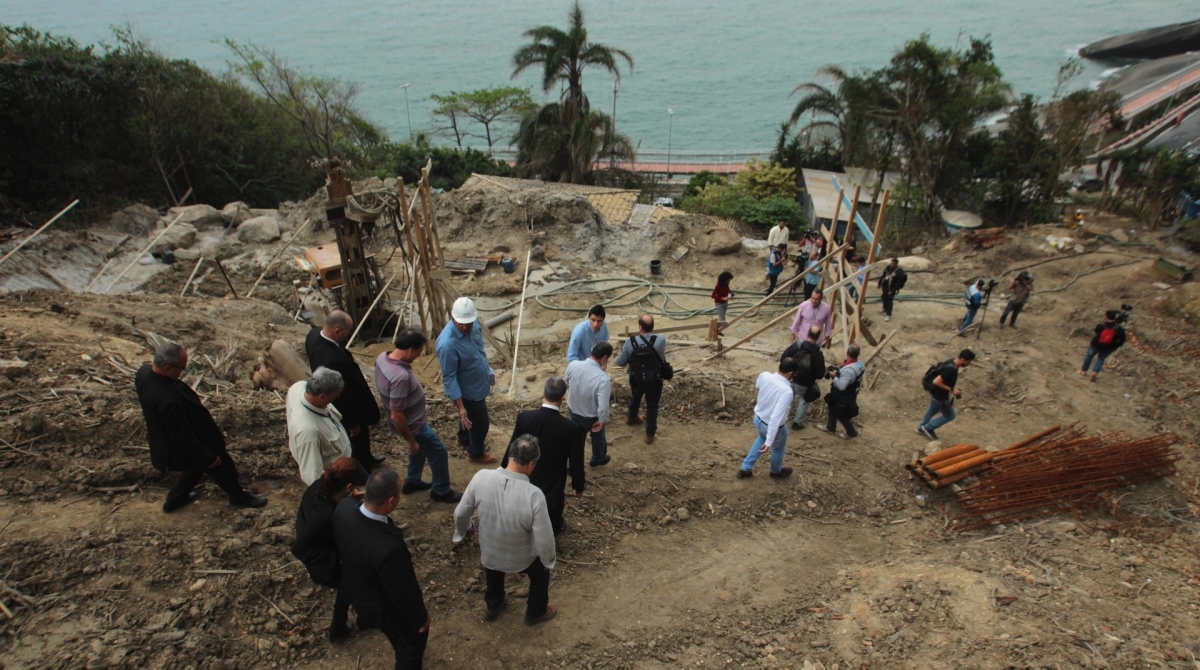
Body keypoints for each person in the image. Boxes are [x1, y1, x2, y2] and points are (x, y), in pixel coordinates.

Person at [134, 342, 267, 513]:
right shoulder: (168, 402)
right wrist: (208, 456)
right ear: (167, 368)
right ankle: (238, 496)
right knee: (222, 466)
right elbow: (183, 438)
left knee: (195, 467)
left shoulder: (144, 374)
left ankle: (174, 500)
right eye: (182, 368)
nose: (182, 372)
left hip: (175, 437)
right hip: (196, 442)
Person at [454, 435, 558, 625]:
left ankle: (493, 605)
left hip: (490, 550)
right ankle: (536, 612)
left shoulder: (481, 477)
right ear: (531, 465)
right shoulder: (534, 495)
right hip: (522, 556)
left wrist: (465, 528)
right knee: (540, 573)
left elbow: (461, 513)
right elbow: (544, 537)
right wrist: (548, 559)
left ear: (510, 455)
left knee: (493, 568)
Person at [334, 470, 430, 669]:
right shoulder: (389, 549)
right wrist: (420, 618)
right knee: (411, 645)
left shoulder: (343, 508)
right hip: (381, 606)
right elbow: (402, 593)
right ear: (391, 501)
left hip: (354, 586)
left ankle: (342, 628)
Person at [375, 329, 462, 504]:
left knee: (419, 450)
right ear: (409, 350)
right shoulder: (400, 377)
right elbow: (397, 415)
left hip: (412, 421)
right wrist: (410, 440)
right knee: (438, 453)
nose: (419, 355)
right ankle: (441, 491)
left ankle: (412, 481)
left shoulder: (383, 358)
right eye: (419, 351)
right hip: (413, 425)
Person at [291, 457, 368, 643]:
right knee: (353, 586)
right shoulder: (326, 517)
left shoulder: (319, 487)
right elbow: (299, 547)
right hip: (324, 563)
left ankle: (350, 622)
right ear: (348, 486)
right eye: (356, 486)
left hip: (326, 549)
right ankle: (342, 627)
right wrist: (335, 560)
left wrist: (349, 499)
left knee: (351, 586)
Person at [502, 378, 586, 534]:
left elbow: (512, 447)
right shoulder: (572, 428)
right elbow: (576, 460)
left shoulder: (525, 418)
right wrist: (578, 484)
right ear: (562, 398)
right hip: (554, 477)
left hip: (527, 471)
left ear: (544, 392)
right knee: (552, 506)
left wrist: (503, 472)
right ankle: (553, 527)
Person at [305, 311, 384, 468]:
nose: (348, 335)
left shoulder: (314, 335)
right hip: (351, 405)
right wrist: (351, 422)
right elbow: (341, 397)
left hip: (347, 393)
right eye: (347, 331)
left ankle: (367, 458)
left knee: (363, 438)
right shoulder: (332, 360)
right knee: (357, 438)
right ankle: (362, 468)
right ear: (337, 331)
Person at [436, 297, 497, 464]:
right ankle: (475, 453)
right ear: (453, 318)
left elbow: (478, 348)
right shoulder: (447, 344)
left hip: (478, 381)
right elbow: (449, 377)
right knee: (481, 423)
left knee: (469, 417)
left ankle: (463, 438)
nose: (465, 327)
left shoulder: (474, 325)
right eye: (461, 324)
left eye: (468, 323)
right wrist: (460, 407)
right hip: (469, 390)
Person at [286, 367, 353, 485]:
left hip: (343, 463)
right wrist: (336, 491)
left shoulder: (299, 386)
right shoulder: (308, 432)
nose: (338, 396)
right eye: (335, 395)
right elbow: (312, 476)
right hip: (335, 476)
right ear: (322, 397)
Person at [736, 357, 797, 480]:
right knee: (778, 449)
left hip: (758, 418)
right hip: (773, 426)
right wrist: (769, 441)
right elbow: (776, 417)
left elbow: (758, 385)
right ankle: (776, 471)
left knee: (761, 438)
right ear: (790, 373)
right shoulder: (786, 391)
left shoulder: (764, 375)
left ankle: (745, 468)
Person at [615, 314, 668, 444]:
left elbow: (620, 362)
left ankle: (631, 416)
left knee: (635, 396)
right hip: (654, 379)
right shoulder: (661, 340)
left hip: (636, 379)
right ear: (653, 327)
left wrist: (620, 353)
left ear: (640, 327)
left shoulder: (630, 342)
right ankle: (649, 434)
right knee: (652, 405)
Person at [564, 341, 614, 467]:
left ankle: (571, 464)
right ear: (605, 358)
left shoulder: (573, 365)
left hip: (573, 409)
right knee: (598, 436)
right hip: (590, 416)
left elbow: (567, 381)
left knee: (577, 439)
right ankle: (597, 458)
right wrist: (602, 420)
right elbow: (603, 406)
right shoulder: (603, 379)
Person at [917, 349, 975, 440]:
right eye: (968, 362)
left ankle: (921, 428)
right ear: (963, 360)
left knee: (932, 409)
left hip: (935, 392)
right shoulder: (951, 370)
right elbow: (936, 381)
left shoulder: (951, 361)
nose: (968, 364)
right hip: (940, 396)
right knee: (950, 415)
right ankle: (928, 428)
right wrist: (952, 390)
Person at [781, 325, 826, 430]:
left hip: (791, 378)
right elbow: (820, 374)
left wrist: (789, 372)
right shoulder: (818, 354)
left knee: (788, 398)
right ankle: (797, 423)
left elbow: (784, 357)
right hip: (805, 383)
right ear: (818, 338)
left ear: (807, 334)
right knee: (804, 401)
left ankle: (783, 418)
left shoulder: (797, 346)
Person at [821, 344, 864, 438]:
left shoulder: (848, 370)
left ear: (847, 353)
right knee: (832, 406)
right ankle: (830, 427)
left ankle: (852, 433)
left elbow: (841, 386)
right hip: (850, 393)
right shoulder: (859, 364)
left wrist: (834, 376)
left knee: (841, 415)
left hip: (843, 396)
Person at [1080, 310, 1127, 382]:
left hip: (1096, 345)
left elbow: (1096, 331)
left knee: (1089, 356)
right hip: (1108, 348)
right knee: (1101, 359)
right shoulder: (1119, 329)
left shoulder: (1101, 326)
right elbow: (1122, 340)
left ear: (1106, 317)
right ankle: (1095, 372)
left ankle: (1084, 370)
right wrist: (1115, 346)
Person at [877, 258, 907, 322]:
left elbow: (898, 283)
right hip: (885, 286)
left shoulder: (899, 272)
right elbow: (884, 275)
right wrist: (880, 283)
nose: (891, 264)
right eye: (891, 263)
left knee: (889, 301)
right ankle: (884, 308)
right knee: (884, 297)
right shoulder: (888, 268)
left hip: (892, 288)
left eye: (892, 263)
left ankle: (888, 314)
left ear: (896, 264)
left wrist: (892, 291)